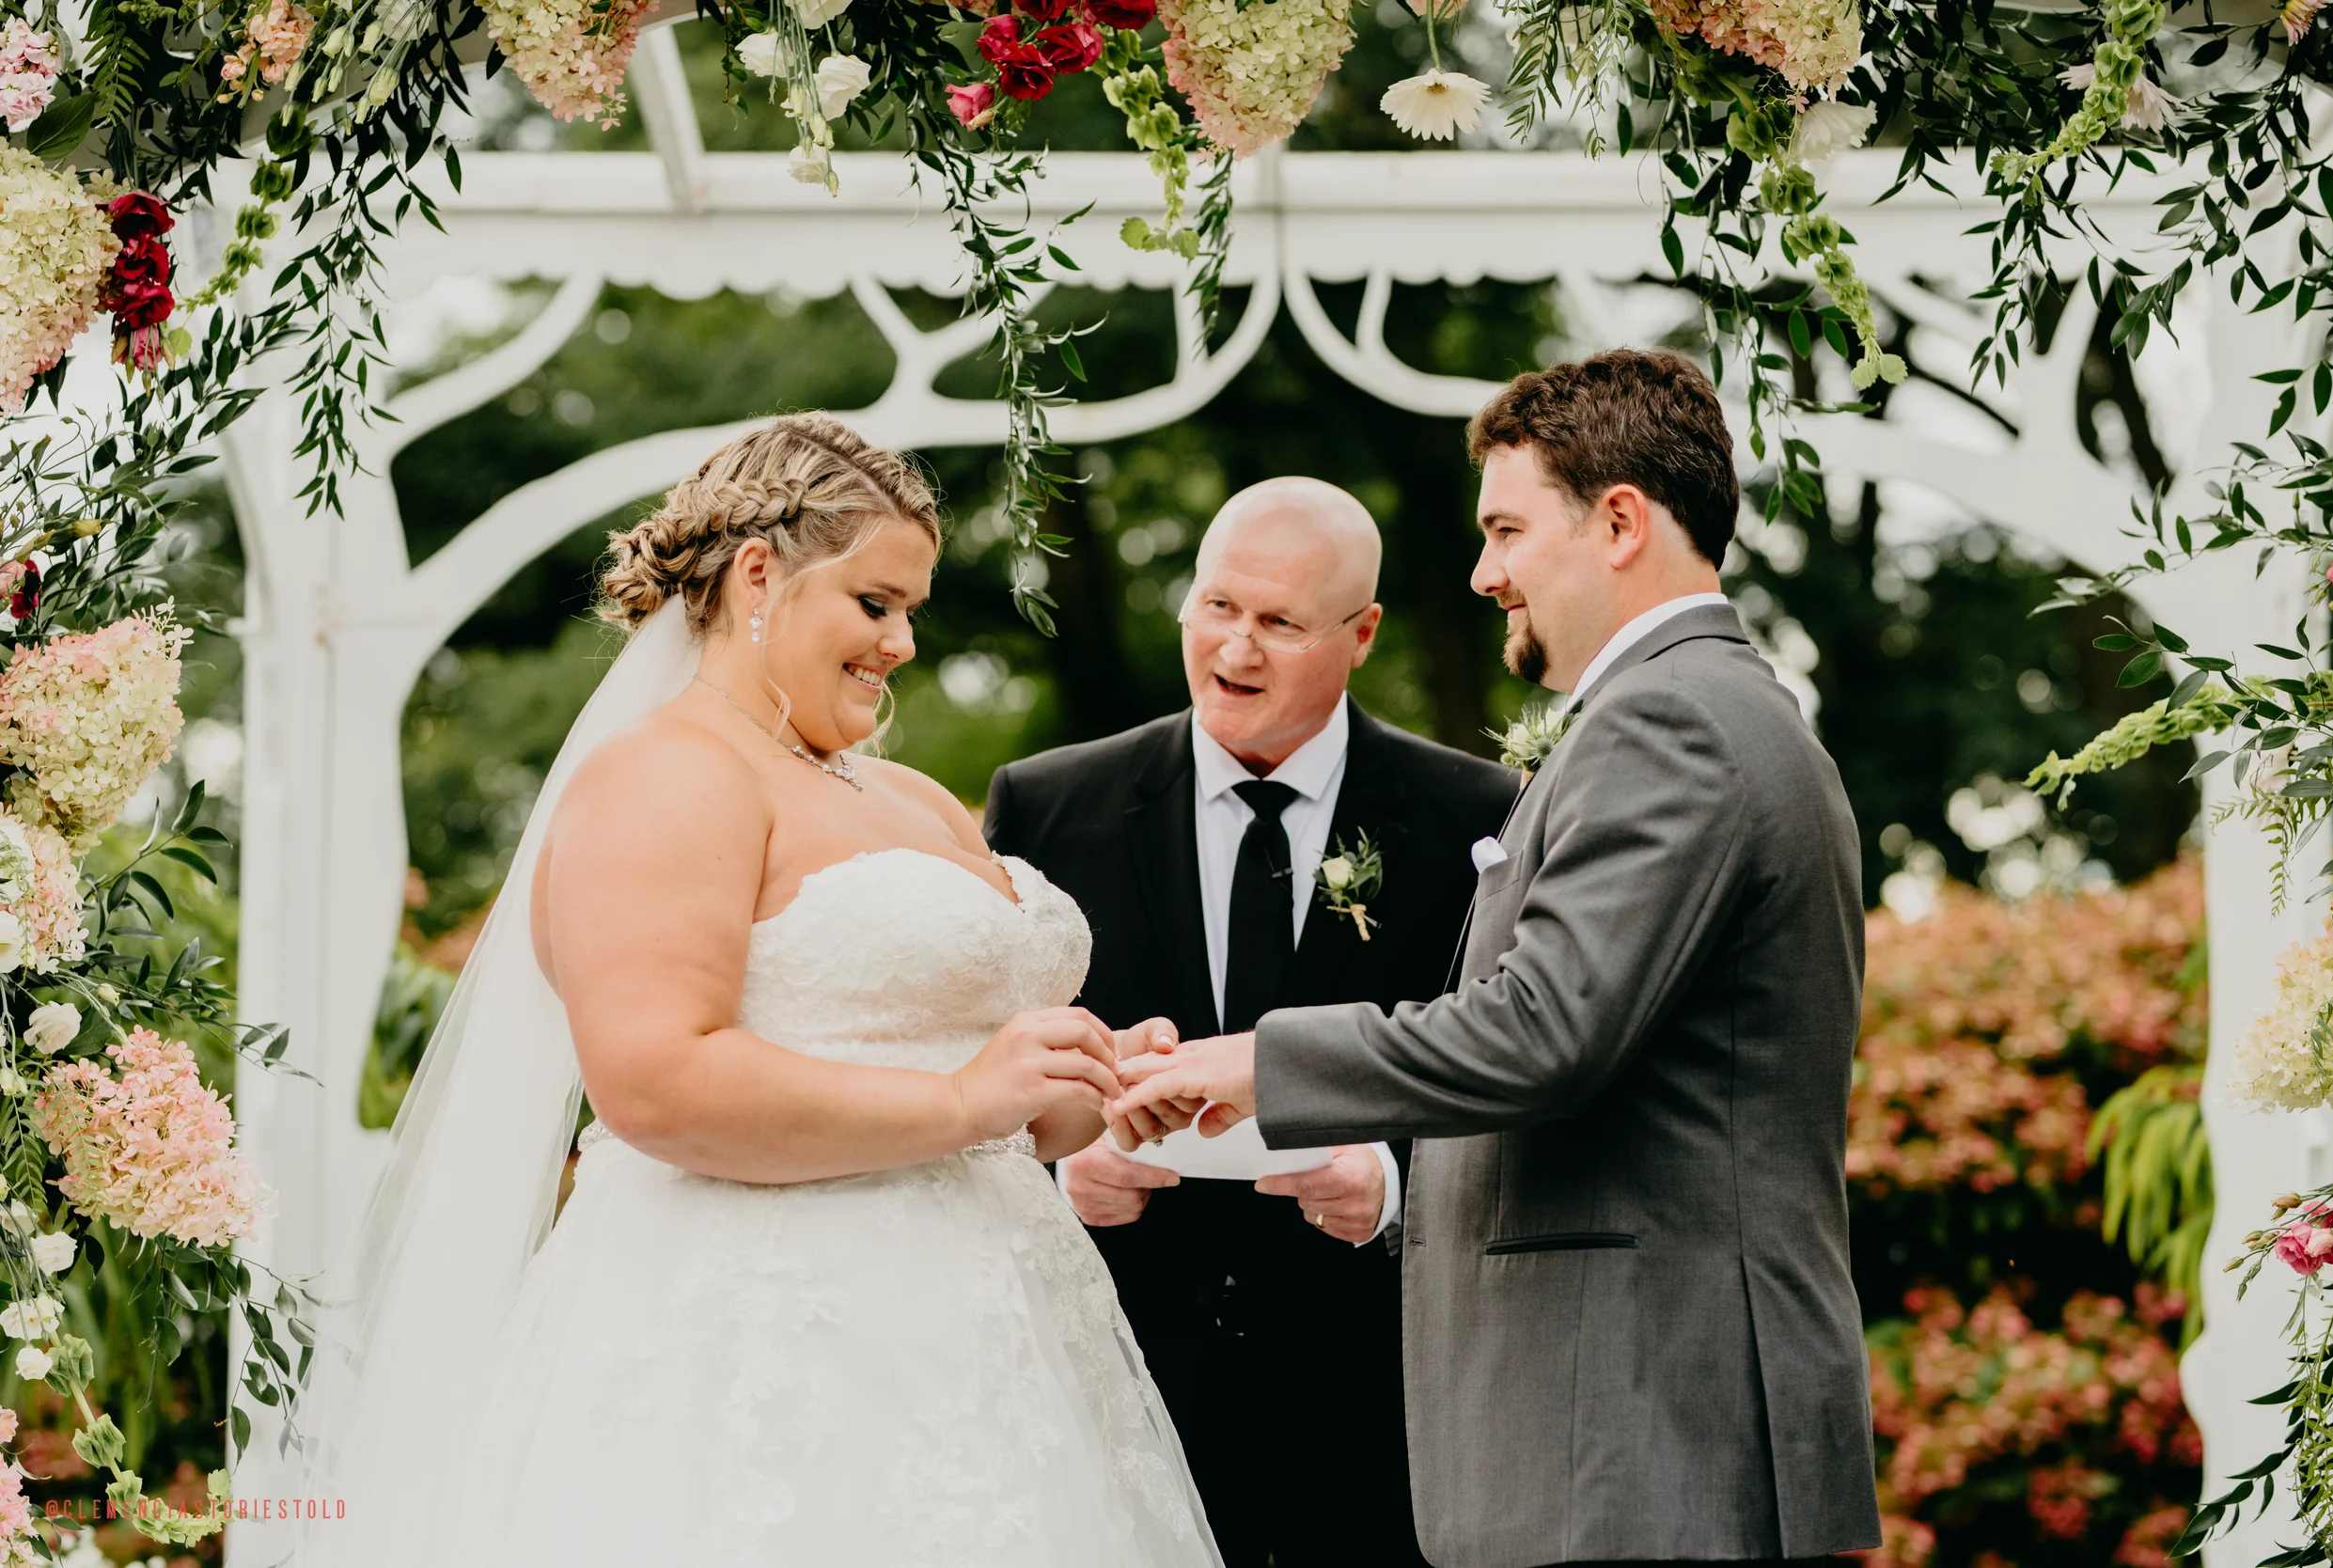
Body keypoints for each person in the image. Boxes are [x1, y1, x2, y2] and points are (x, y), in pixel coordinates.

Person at [300, 415, 1223, 1568]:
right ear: (755, 575)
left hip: (997, 1352)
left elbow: (1005, 1098)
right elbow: (656, 1082)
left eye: (913, 613)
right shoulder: (665, 776)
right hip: (769, 1353)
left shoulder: (915, 799)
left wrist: (1098, 1079)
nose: (900, 644)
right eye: (874, 604)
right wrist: (960, 1105)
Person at [1108, 353, 1881, 1568]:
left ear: (1619, 521)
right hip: (1631, 1428)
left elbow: (1542, 1030)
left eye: (1509, 529)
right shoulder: (1712, 711)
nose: (1485, 574)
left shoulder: (1670, 721)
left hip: (1640, 1425)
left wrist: (1259, 1062)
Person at [985, 478, 1518, 1568]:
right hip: (1125, 1394)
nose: (1236, 647)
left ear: (1360, 633)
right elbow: (977, 1072)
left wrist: (1393, 1180)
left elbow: (1514, 1066)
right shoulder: (1045, 807)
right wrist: (1057, 1175)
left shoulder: (1480, 818)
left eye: (1278, 622)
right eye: (1217, 606)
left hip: (1382, 1410)